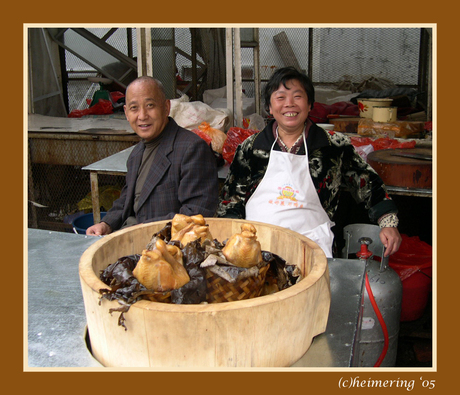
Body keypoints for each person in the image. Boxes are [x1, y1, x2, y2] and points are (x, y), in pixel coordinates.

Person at [217, 67, 401, 258]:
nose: (289, 104)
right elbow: (230, 200)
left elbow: (366, 181)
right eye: (280, 98)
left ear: (310, 104)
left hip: (313, 248)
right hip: (257, 247)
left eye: (297, 97)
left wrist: (388, 222)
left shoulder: (334, 146)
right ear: (269, 108)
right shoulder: (250, 148)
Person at [87, 76, 218, 235]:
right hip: (130, 237)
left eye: (150, 105)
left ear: (166, 107)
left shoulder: (192, 149)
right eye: (134, 108)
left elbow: (196, 214)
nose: (142, 116)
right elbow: (127, 199)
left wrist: (141, 229)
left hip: (164, 249)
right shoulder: (136, 154)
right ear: (126, 113)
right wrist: (106, 223)